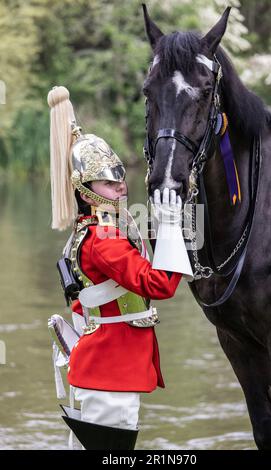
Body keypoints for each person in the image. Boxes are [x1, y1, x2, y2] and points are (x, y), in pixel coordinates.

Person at [47, 85, 193, 450]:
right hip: (112, 372)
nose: (119, 188)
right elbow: (159, 285)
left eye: (119, 180)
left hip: (101, 364)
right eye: (108, 184)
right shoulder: (103, 239)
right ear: (85, 191)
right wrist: (174, 227)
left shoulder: (95, 231)